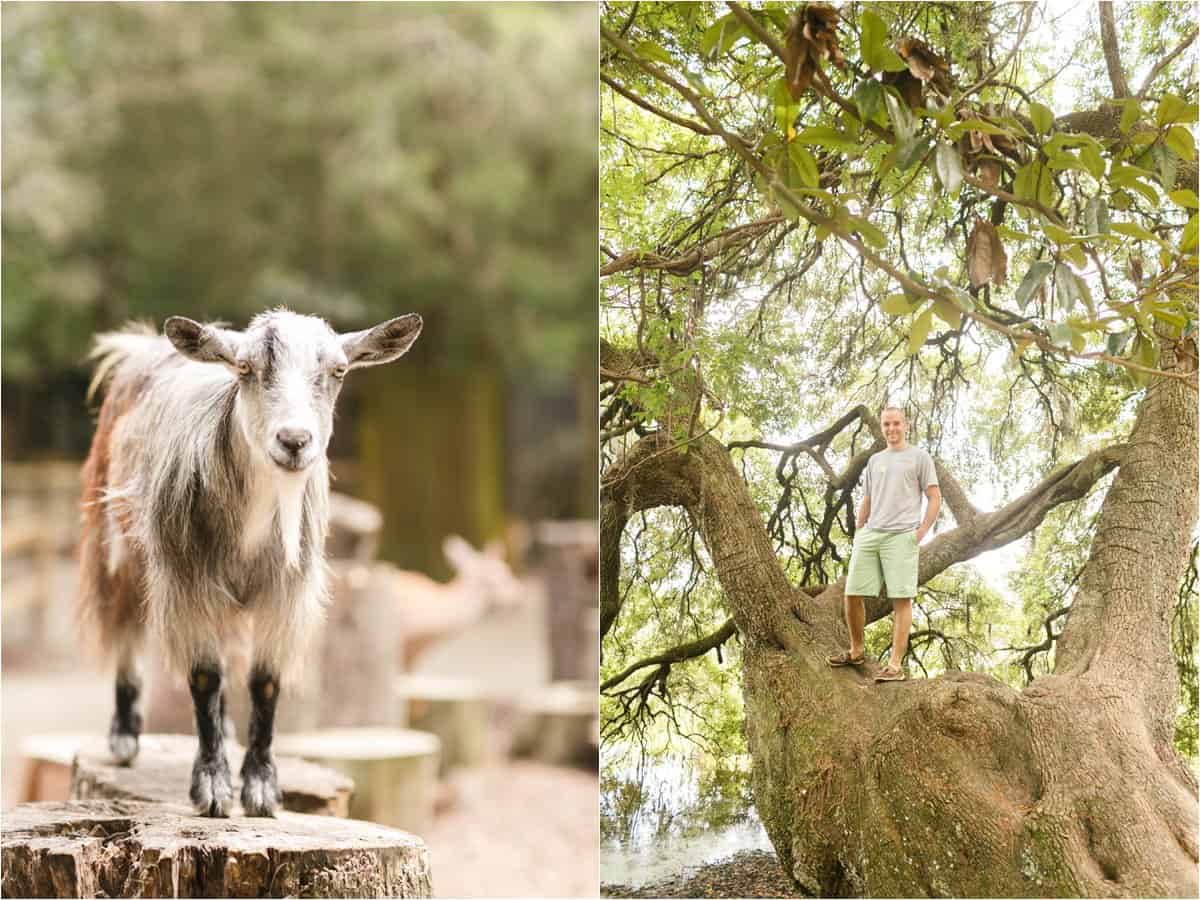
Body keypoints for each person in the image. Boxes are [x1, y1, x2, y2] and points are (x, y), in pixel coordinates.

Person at [827, 405, 941, 682]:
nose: (891, 429)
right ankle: (856, 651)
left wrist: (922, 530)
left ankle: (894, 666)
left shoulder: (919, 458)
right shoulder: (875, 461)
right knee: (852, 593)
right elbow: (867, 498)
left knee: (901, 599)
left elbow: (934, 496)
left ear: (906, 425)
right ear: (882, 427)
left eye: (896, 424)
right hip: (870, 534)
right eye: (886, 424)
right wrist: (860, 528)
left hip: (902, 535)